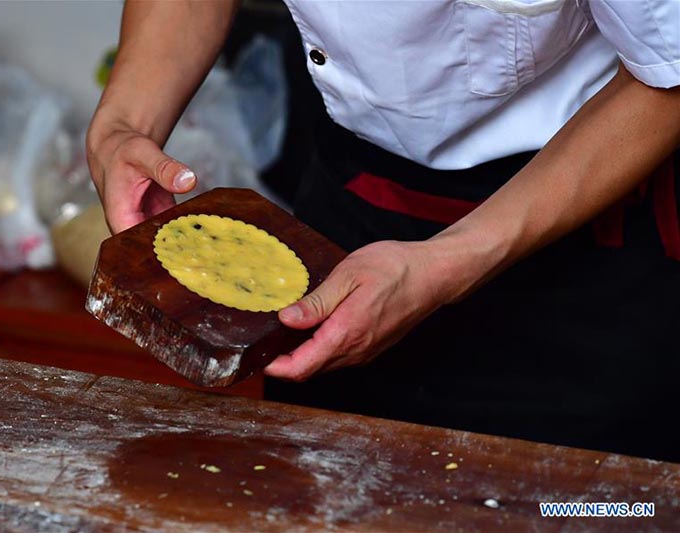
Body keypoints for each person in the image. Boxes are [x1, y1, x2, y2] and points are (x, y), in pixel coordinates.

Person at [87, 1, 680, 461]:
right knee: (330, 489)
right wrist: (123, 124)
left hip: (580, 236)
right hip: (348, 219)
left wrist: (451, 259)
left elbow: (669, 73)